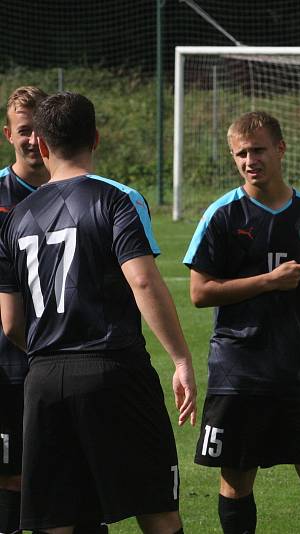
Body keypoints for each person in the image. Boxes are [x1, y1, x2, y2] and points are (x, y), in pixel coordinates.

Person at [0, 91, 197, 534]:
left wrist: (51, 354)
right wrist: (182, 360)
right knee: (156, 509)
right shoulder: (116, 199)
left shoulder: (15, 218)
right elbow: (143, 281)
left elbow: (11, 323)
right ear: (96, 138)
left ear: (44, 146)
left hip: (43, 378)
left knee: (58, 519)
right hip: (113, 370)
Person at [184, 111, 300, 534]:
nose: (249, 160)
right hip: (239, 370)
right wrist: (267, 282)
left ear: (280, 149)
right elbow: (200, 292)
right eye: (240, 153)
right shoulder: (222, 215)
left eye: (257, 150)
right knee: (236, 479)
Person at [0, 85, 50, 534]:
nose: (32, 140)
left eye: (39, 130)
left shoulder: (74, 189)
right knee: (12, 471)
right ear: (8, 134)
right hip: (8, 359)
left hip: (66, 356)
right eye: (23, 131)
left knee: (65, 466)